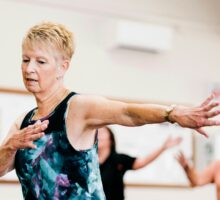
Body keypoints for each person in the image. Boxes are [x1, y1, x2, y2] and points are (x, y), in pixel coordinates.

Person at [0, 21, 220, 200]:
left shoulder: (76, 108)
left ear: (62, 67)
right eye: (25, 60)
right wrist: (9, 147)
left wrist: (172, 114)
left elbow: (127, 112)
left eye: (41, 62)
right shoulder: (23, 123)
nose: (29, 69)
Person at [98, 126, 182, 200]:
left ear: (111, 139)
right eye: (97, 133)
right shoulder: (89, 163)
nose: (99, 135)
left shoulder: (119, 159)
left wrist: (163, 148)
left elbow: (142, 162)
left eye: (102, 132)